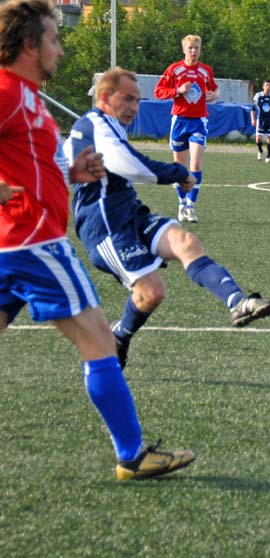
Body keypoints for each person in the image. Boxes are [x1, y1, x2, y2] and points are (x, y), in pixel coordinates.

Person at [0, 0, 194, 480]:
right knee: (100, 341)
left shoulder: (24, 96)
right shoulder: (6, 93)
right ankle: (132, 454)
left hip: (12, 244)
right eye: (53, 39)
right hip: (34, 245)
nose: (60, 50)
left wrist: (71, 171)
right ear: (29, 45)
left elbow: (25, 167)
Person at [65, 67, 270, 372]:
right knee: (152, 292)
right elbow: (129, 165)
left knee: (186, 242)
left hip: (131, 214)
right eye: (128, 99)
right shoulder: (95, 124)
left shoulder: (103, 125)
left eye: (138, 101)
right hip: (106, 228)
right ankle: (119, 337)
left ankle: (238, 303)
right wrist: (179, 174)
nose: (134, 108)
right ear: (104, 96)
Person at [153, 34, 219, 222]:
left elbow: (215, 88)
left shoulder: (206, 71)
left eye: (196, 48)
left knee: (196, 164)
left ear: (200, 49)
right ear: (184, 49)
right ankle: (181, 203)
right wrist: (178, 91)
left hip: (199, 121)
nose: (193, 51)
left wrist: (213, 95)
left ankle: (191, 206)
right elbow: (158, 92)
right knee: (180, 168)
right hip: (180, 121)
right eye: (190, 47)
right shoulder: (175, 69)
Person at [250, 79, 270, 163]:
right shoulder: (258, 96)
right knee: (258, 139)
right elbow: (253, 109)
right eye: (266, 85)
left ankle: (268, 157)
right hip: (260, 120)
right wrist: (252, 119)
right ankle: (260, 151)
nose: (268, 87)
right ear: (263, 86)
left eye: (269, 85)